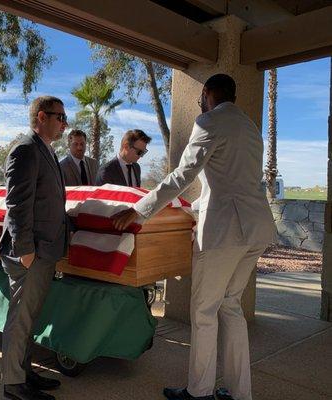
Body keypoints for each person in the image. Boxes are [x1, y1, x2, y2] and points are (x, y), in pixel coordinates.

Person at [113, 74, 276, 400]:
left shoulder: (210, 121)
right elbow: (232, 183)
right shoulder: (250, 128)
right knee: (230, 306)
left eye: (201, 97)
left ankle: (199, 392)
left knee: (203, 311)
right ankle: (238, 392)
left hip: (225, 232)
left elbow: (183, 176)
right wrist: (195, 210)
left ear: (206, 94)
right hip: (257, 228)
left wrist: (140, 210)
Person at [0, 96, 69, 400]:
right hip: (29, 252)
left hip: (44, 251)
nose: (64, 123)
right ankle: (13, 384)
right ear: (42, 116)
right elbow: (17, 203)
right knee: (20, 319)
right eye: (60, 117)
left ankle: (24, 372)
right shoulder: (26, 149)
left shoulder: (46, 151)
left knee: (30, 318)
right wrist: (24, 248)